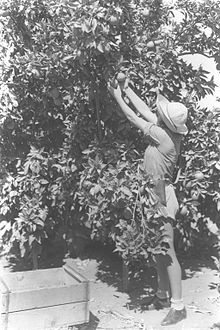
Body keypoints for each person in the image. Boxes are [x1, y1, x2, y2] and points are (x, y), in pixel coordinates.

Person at [108, 79, 188, 326]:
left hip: (162, 199)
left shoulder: (164, 136)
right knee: (157, 252)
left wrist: (117, 95)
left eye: (160, 114)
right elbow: (145, 111)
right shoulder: (166, 131)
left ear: (166, 121)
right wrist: (126, 87)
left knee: (167, 251)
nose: (157, 115)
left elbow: (135, 118)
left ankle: (178, 306)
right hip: (152, 197)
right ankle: (162, 296)